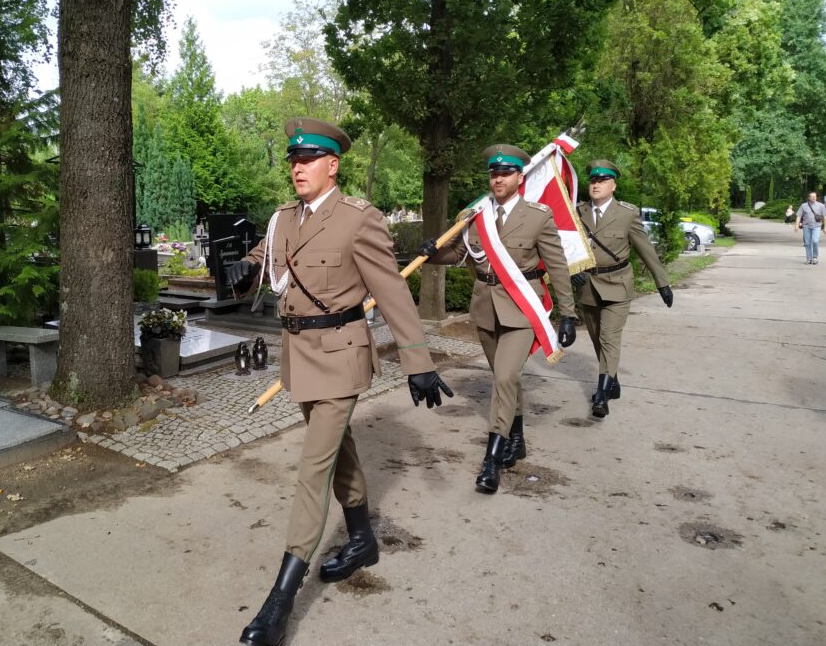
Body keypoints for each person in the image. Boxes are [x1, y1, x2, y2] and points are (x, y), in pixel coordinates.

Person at [226, 117, 452, 646]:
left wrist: (417, 362)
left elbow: (392, 291)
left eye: (308, 160)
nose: (297, 167)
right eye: (292, 160)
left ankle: (279, 601)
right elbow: (272, 259)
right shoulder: (282, 218)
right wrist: (245, 264)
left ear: (333, 165)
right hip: (299, 355)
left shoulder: (358, 219)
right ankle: (362, 541)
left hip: (343, 356)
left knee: (313, 467)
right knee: (340, 450)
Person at [419, 144, 577, 494]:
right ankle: (516, 438)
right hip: (486, 308)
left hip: (522, 309)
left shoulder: (538, 215)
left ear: (520, 177)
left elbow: (557, 266)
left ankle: (490, 460)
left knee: (504, 377)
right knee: (506, 380)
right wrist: (432, 254)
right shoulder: (476, 216)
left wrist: (568, 313)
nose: (498, 179)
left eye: (505, 173)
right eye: (493, 173)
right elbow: (459, 254)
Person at [572, 160, 672, 417]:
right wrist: (572, 271)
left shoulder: (627, 213)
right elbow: (565, 247)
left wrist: (662, 283)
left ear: (613, 185)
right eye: (593, 180)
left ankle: (601, 395)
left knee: (609, 338)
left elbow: (645, 249)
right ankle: (612, 379)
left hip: (617, 285)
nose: (596, 184)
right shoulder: (577, 212)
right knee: (596, 339)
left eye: (602, 180)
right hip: (589, 286)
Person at [796, 191, 826, 264]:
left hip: (817, 226)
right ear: (808, 197)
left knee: (815, 241)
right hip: (806, 226)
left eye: (815, 196)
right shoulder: (803, 205)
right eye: (812, 196)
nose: (814, 197)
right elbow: (799, 216)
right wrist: (796, 225)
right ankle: (809, 259)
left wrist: (825, 227)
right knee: (807, 243)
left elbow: (825, 217)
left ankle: (815, 257)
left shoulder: (821, 205)